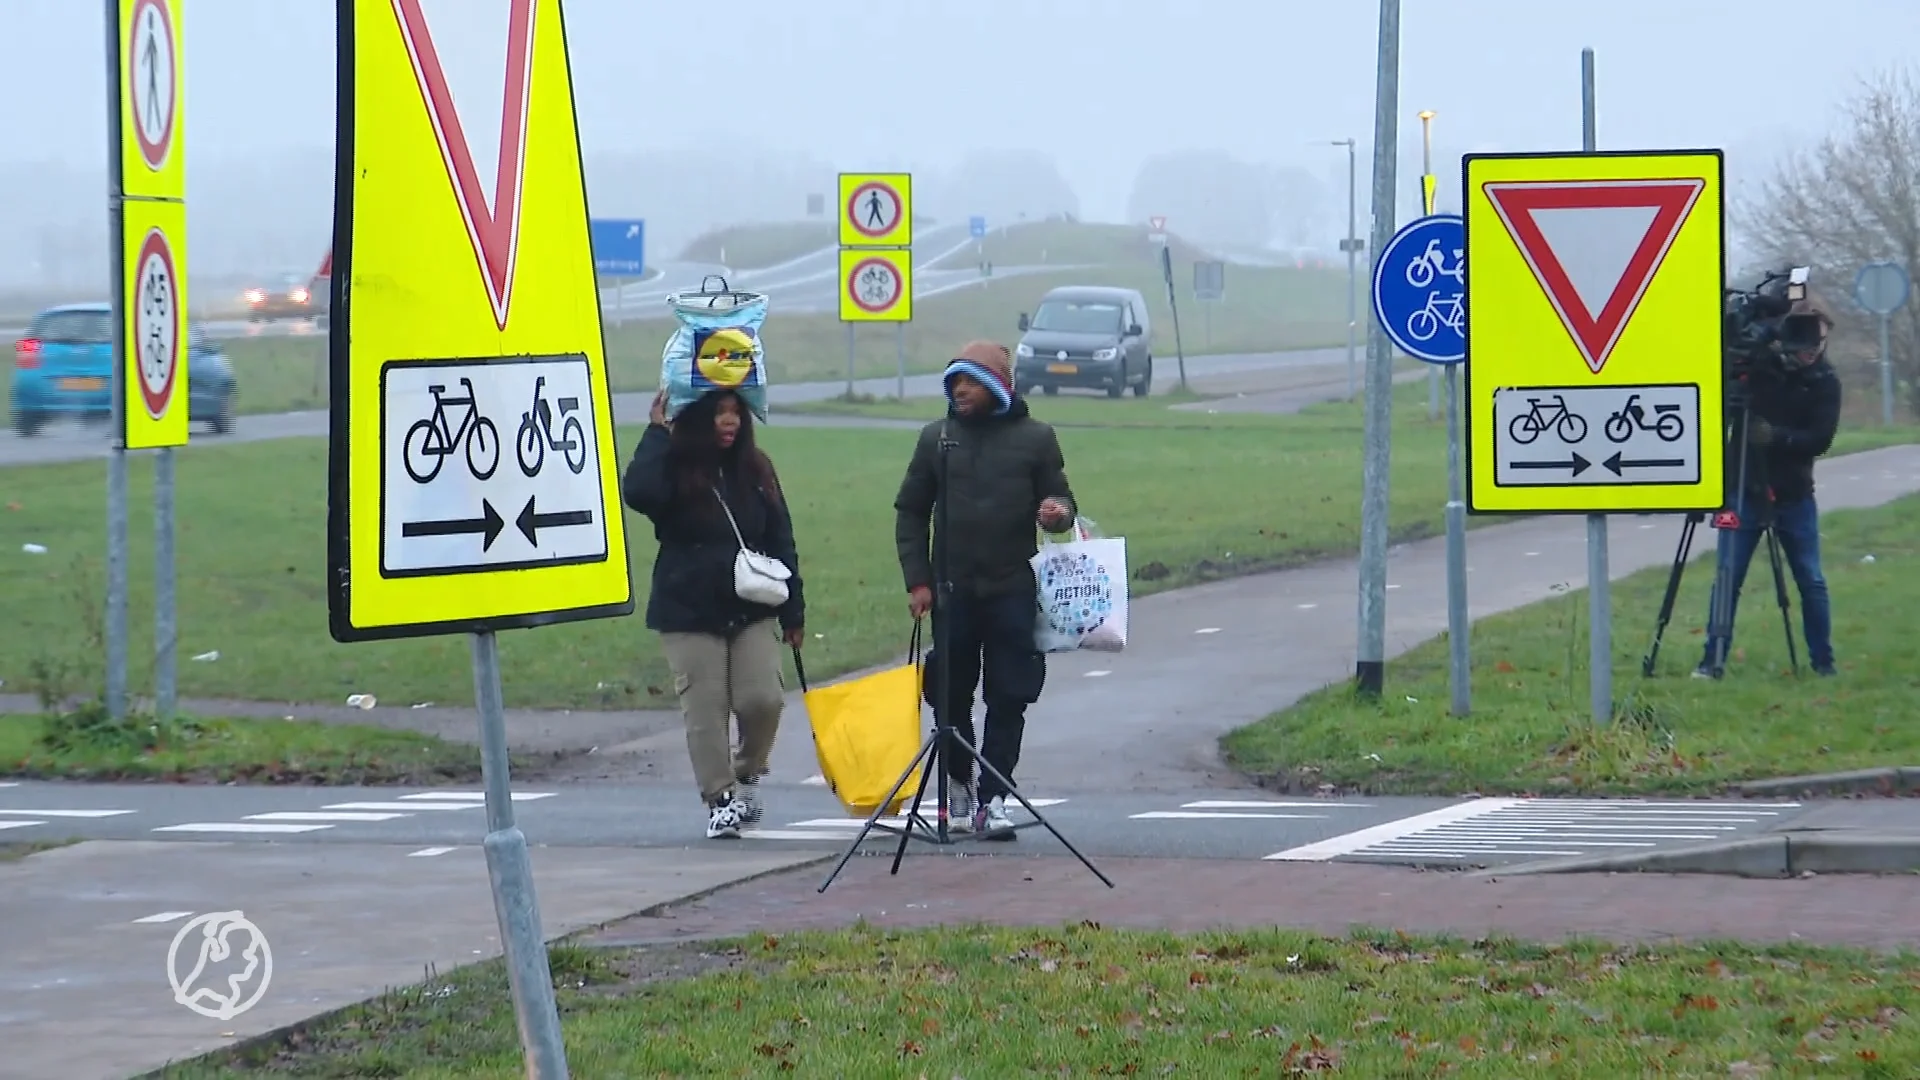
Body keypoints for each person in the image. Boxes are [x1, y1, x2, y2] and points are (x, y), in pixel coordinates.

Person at [894, 341, 1077, 836]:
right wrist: (919, 580)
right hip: (951, 592)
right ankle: (958, 785)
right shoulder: (938, 439)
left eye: (970, 381)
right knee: (949, 695)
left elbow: (1061, 498)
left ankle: (994, 797)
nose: (959, 391)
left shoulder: (1036, 439)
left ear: (996, 386)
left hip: (1012, 589)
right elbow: (910, 511)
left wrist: (1057, 513)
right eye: (953, 382)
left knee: (1009, 695)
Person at [623, 388, 805, 838]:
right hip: (687, 609)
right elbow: (639, 491)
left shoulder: (757, 468)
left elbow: (782, 538)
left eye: (735, 413)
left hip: (751, 606)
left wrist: (794, 610)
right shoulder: (673, 468)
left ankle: (747, 774)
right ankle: (719, 798)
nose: (729, 422)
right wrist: (655, 432)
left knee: (763, 699)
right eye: (718, 414)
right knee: (705, 710)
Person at [1697, 298, 1842, 679]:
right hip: (1745, 489)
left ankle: (1823, 661)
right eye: (1803, 337)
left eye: (1818, 339)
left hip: (1794, 494)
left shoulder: (1825, 382)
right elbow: (1719, 408)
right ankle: (1712, 661)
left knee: (1810, 579)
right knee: (1728, 576)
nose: (1811, 348)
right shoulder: (1759, 371)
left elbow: (1819, 439)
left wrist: (1775, 437)